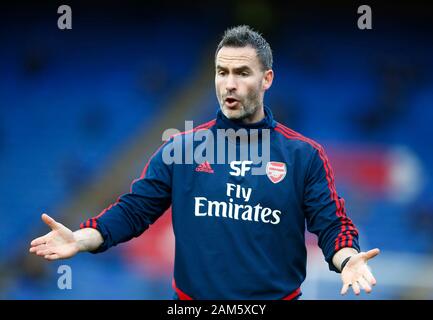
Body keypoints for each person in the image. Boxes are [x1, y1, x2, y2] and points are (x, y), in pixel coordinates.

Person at [29, 25, 379, 299]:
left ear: (267, 79)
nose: (229, 84)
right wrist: (83, 237)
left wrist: (348, 260)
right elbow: (134, 210)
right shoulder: (180, 149)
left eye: (242, 73)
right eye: (221, 72)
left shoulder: (303, 156)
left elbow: (333, 225)